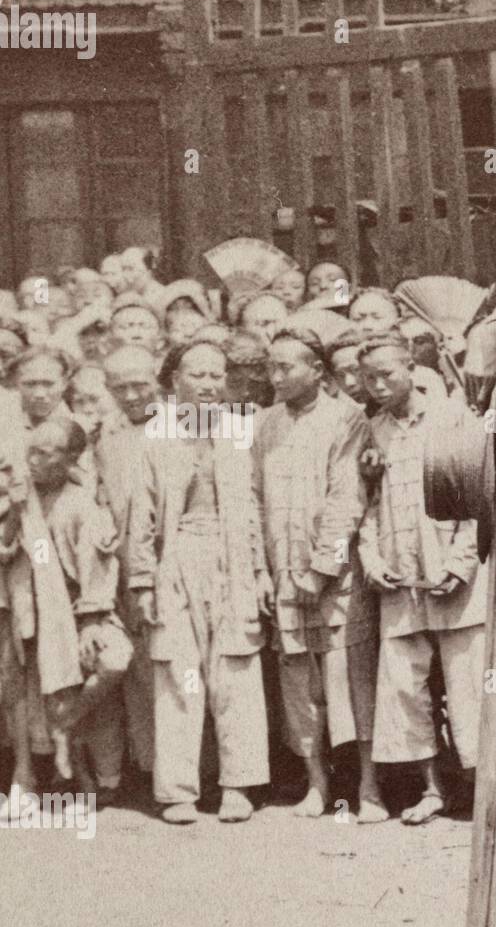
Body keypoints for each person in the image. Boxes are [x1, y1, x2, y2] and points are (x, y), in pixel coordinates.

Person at [128, 341, 271, 824]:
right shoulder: (155, 439)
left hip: (231, 558)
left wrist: (260, 570)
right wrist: (143, 582)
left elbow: (254, 508)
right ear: (174, 382)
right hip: (177, 560)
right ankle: (178, 790)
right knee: (179, 672)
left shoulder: (239, 434)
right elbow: (141, 518)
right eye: (197, 375)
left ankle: (238, 784)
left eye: (216, 375)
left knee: (235, 671)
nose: (209, 384)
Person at [254, 326, 385, 823]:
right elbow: (254, 498)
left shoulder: (346, 419)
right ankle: (317, 784)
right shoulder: (265, 425)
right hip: (282, 574)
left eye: (286, 366)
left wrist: (321, 569)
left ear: (316, 370)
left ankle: (369, 788)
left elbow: (347, 498)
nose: (276, 375)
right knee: (297, 683)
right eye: (271, 366)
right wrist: (263, 573)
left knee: (349, 680)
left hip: (335, 581)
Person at [357, 333, 487, 824]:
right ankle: (431, 789)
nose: (378, 384)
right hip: (399, 574)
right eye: (368, 377)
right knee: (403, 688)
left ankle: (481, 788)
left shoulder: (453, 418)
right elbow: (365, 506)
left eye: (387, 373)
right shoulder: (372, 431)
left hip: (451, 568)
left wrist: (461, 562)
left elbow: (479, 497)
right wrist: (371, 558)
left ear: (411, 367)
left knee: (468, 682)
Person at [1, 416, 132, 788]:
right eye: (32, 453)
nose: (36, 461)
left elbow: (97, 567)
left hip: (82, 613)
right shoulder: (21, 494)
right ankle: (66, 776)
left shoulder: (81, 504)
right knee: (26, 685)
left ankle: (67, 723)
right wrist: (15, 511)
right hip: (32, 612)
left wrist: (91, 619)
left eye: (48, 454)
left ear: (73, 456)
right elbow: (6, 551)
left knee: (113, 658)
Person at [91, 344, 163, 795]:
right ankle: (142, 767)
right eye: (121, 387)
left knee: (168, 671)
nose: (133, 394)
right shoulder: (107, 436)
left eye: (140, 384)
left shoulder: (182, 426)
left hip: (169, 566)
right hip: (120, 569)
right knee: (133, 671)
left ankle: (177, 771)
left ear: (156, 376)